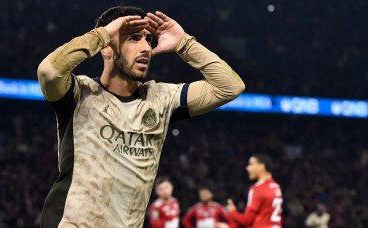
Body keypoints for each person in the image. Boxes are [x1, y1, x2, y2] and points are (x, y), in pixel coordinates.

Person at [37, 5, 245, 228]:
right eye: (134, 38)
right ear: (106, 48)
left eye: (148, 39)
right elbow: (49, 71)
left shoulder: (161, 99)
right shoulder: (79, 93)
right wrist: (102, 34)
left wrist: (185, 43)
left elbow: (230, 87)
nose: (146, 47)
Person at [226, 154, 283, 228]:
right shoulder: (276, 187)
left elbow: (246, 221)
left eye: (251, 164)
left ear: (262, 166)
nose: (248, 168)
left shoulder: (257, 188)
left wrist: (233, 212)